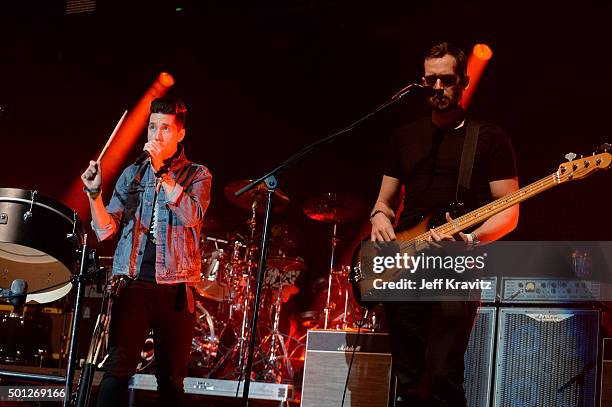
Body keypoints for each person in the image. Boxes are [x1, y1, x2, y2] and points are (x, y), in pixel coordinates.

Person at [369, 43, 519, 406]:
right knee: (408, 380)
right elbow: (384, 203)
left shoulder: (489, 138)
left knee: (442, 377)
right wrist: (378, 219)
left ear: (463, 82)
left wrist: (472, 238)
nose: (438, 87)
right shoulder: (404, 137)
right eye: (431, 80)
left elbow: (509, 212)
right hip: (404, 265)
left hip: (456, 266)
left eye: (447, 80)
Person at [81, 97, 212, 406]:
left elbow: (192, 215)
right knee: (118, 368)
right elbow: (105, 230)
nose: (156, 134)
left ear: (180, 134)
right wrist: (94, 194)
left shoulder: (198, 175)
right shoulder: (132, 175)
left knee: (170, 379)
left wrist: (162, 175)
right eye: (152, 126)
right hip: (134, 281)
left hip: (177, 287)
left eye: (165, 128)